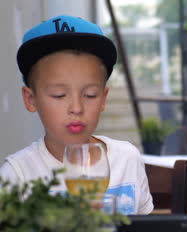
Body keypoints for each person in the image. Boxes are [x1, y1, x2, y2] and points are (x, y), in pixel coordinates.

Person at [0, 15, 153, 215]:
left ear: (103, 99)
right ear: (31, 99)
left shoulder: (127, 159)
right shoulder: (17, 174)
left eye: (90, 95)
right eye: (59, 95)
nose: (77, 108)